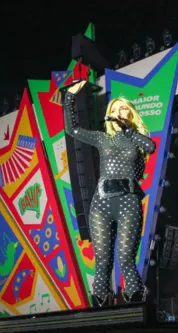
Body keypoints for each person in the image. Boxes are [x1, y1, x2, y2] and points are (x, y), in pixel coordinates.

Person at [64, 81, 156, 306]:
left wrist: (128, 129)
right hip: (101, 203)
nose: (117, 113)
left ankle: (135, 307)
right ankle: (101, 312)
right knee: (103, 259)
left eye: (122, 109)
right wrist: (68, 98)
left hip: (128, 201)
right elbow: (72, 129)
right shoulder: (102, 138)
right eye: (113, 110)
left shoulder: (135, 138)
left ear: (130, 113)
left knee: (125, 257)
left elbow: (151, 147)